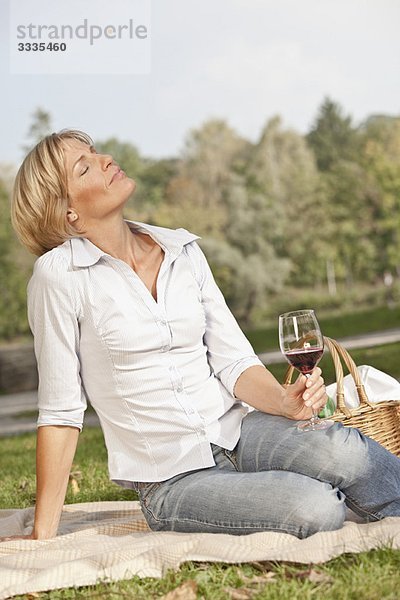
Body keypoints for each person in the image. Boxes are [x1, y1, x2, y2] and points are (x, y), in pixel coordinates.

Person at [4, 129, 400, 542]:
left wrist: (284, 401)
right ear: (68, 213)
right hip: (172, 478)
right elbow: (61, 411)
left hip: (239, 432)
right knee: (315, 505)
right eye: (84, 166)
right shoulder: (59, 277)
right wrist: (43, 532)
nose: (105, 159)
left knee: (346, 451)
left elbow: (233, 361)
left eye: (95, 151)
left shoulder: (181, 249)